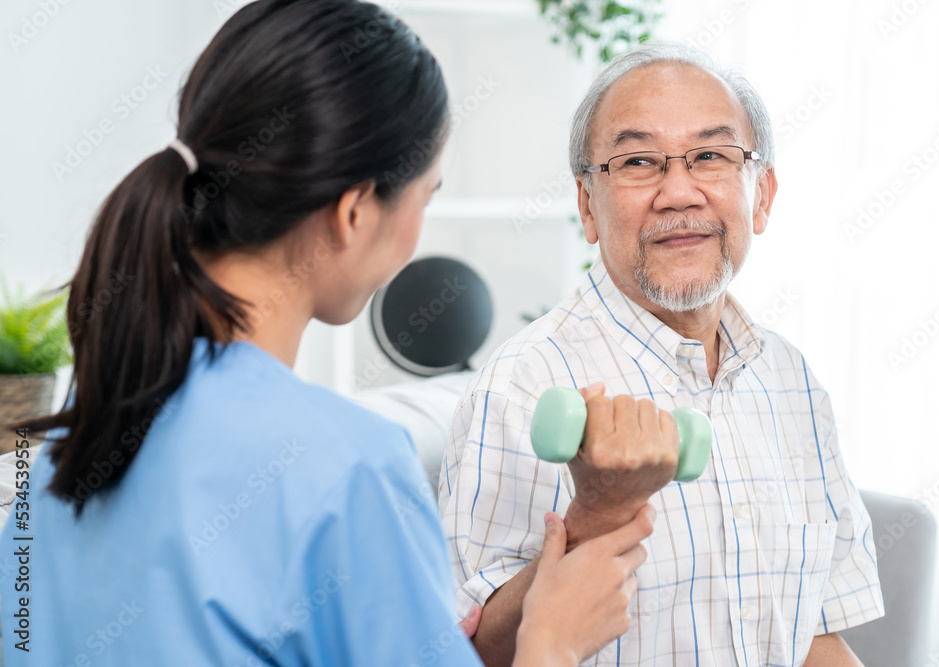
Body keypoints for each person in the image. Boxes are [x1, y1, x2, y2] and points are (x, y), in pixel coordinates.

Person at [0, 1, 656, 665]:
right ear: (353, 212)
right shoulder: (349, 466)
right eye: (424, 198)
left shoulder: (62, 454)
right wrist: (552, 640)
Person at [439, 42, 884, 667]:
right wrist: (596, 513)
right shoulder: (520, 386)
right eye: (639, 161)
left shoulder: (792, 381)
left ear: (762, 195)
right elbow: (471, 652)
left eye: (711, 156)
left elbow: (811, 634)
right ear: (587, 205)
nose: (679, 192)